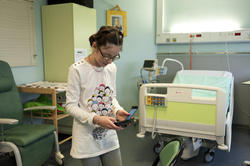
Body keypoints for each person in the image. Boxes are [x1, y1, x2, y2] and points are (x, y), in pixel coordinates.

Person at [65, 26, 129, 166]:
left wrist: (117, 110)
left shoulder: (111, 68)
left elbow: (110, 97)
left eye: (114, 57)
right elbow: (70, 106)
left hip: (108, 133)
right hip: (86, 137)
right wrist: (96, 119)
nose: (109, 61)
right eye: (106, 55)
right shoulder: (77, 70)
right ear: (95, 46)